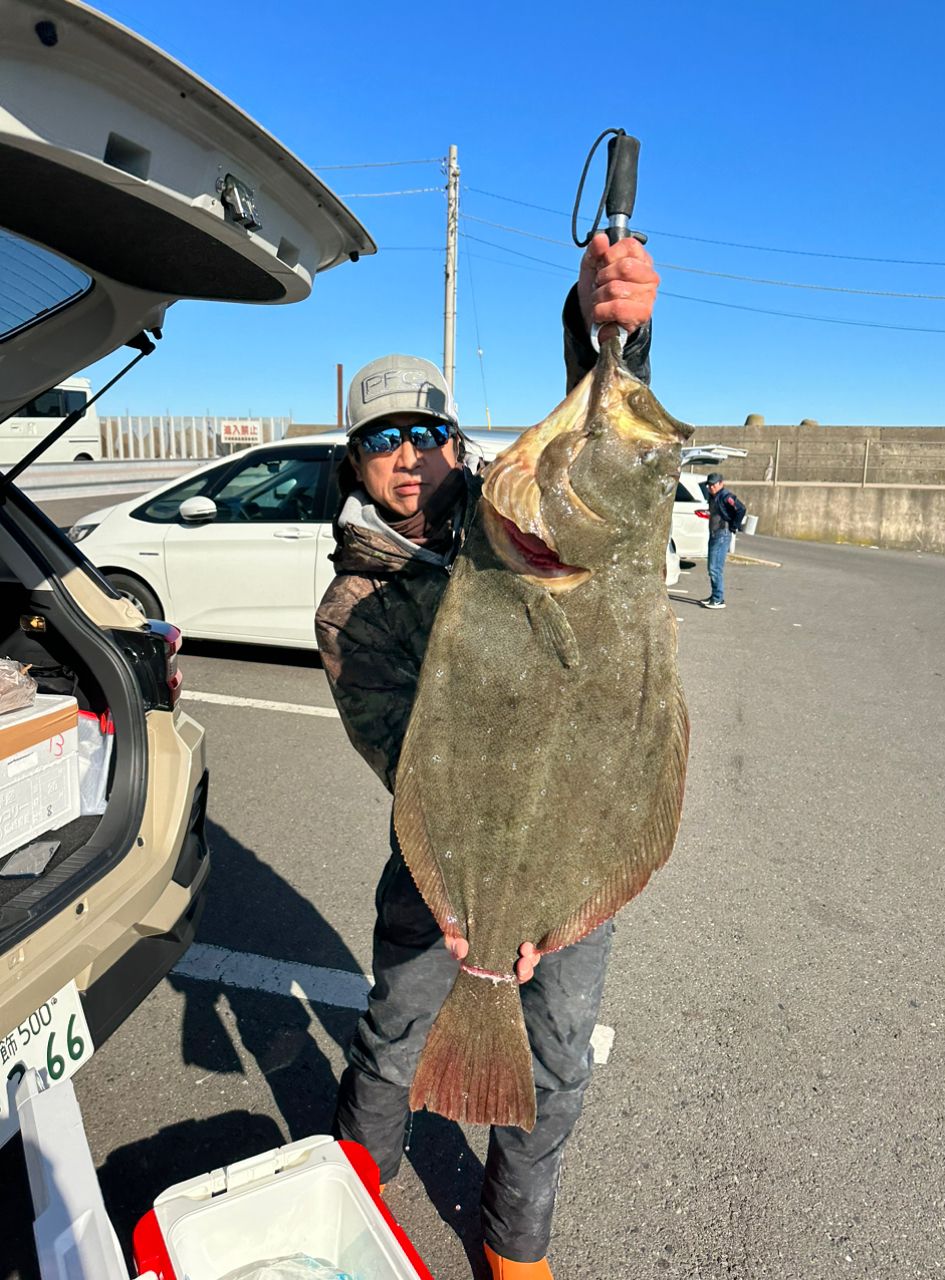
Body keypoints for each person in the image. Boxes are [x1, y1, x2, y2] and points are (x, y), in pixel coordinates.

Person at [314, 233, 659, 1280]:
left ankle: (516, 1239)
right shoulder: (349, 607)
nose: (411, 456)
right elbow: (400, 758)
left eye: (428, 432)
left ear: (459, 447)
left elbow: (592, 451)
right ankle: (353, 1192)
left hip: (571, 846)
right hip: (446, 859)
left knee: (557, 1058)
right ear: (358, 463)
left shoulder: (505, 521)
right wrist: (476, 907)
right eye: (385, 440)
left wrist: (611, 331)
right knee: (391, 1031)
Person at [701, 471, 745, 609]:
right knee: (711, 567)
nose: (710, 487)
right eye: (709, 485)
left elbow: (741, 509)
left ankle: (718, 599)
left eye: (713, 485)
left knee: (715, 567)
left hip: (722, 533)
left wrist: (734, 526)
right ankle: (715, 595)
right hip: (714, 533)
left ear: (721, 483)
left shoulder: (726, 496)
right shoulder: (713, 496)